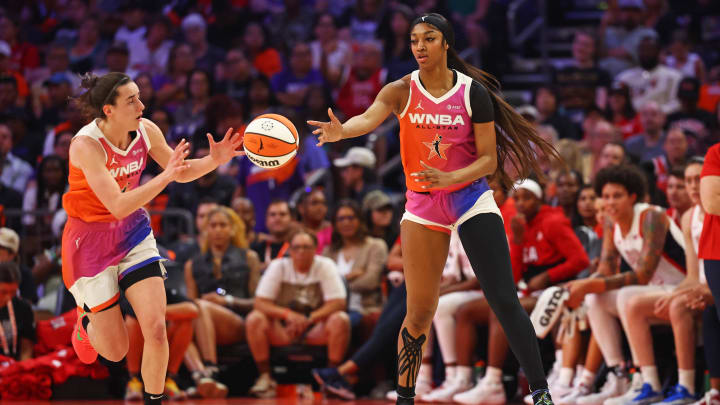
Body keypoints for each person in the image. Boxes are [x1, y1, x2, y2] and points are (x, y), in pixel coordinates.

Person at [308, 13, 558, 405]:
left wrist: (451, 178)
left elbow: (489, 161)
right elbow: (368, 118)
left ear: (446, 44)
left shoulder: (472, 92)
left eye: (429, 38)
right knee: (419, 311)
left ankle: (542, 393)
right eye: (414, 40)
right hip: (423, 206)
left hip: (470, 200)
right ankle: (405, 398)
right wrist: (343, 131)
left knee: (504, 301)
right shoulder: (400, 90)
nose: (420, 47)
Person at [62, 72, 243, 405]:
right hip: (89, 241)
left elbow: (180, 170)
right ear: (109, 110)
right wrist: (167, 176)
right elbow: (116, 205)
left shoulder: (146, 130)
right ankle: (86, 323)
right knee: (115, 352)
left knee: (156, 328)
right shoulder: (85, 145)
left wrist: (214, 160)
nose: (142, 105)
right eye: (131, 100)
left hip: (132, 231)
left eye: (140, 96)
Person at [564, 164, 686, 405]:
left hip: (682, 290)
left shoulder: (651, 216)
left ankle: (648, 382)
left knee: (625, 295)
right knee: (594, 299)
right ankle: (619, 375)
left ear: (632, 196)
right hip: (652, 294)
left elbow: (642, 275)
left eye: (617, 196)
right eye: (606, 196)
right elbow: (606, 270)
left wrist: (588, 286)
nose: (610, 202)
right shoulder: (611, 222)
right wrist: (576, 288)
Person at [614, 158, 706, 405]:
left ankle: (687, 388)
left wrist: (680, 294)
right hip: (693, 286)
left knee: (675, 304)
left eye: (698, 180)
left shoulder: (660, 217)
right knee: (631, 303)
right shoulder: (690, 218)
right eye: (688, 181)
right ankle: (646, 383)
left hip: (706, 289)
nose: (693, 187)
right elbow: (693, 275)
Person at [246, 230, 350, 398]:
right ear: (290, 250)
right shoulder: (277, 266)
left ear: (316, 249)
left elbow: (338, 303)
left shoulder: (326, 265)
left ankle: (331, 377)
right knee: (255, 318)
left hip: (315, 330)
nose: (301, 251)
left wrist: (308, 319)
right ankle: (265, 377)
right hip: (283, 330)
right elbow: (260, 302)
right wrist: (288, 315)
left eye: (306, 247)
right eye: (297, 247)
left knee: (341, 319)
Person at [0, 262, 35, 361]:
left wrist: (22, 369)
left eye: (13, 292)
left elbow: (27, 347)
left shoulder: (23, 308)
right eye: (3, 292)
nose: (8, 298)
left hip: (15, 366)